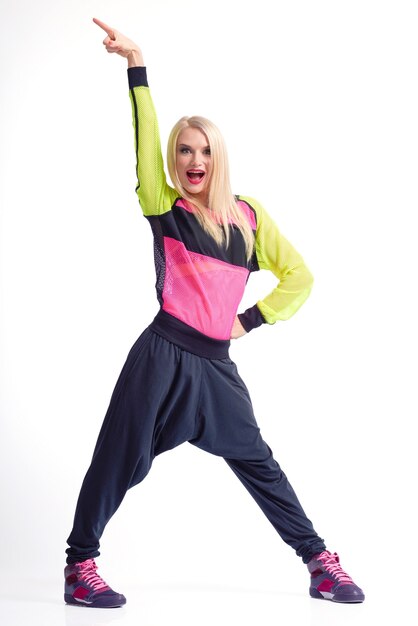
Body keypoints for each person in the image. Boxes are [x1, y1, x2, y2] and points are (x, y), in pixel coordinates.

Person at [63, 17, 365, 608]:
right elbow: (144, 142)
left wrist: (249, 321)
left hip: (216, 368)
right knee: (119, 455)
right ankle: (80, 566)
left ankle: (319, 563)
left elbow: (299, 276)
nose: (193, 159)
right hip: (160, 357)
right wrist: (136, 69)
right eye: (184, 150)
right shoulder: (163, 205)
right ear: (175, 161)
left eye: (204, 150)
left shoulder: (249, 217)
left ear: (217, 157)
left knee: (259, 462)